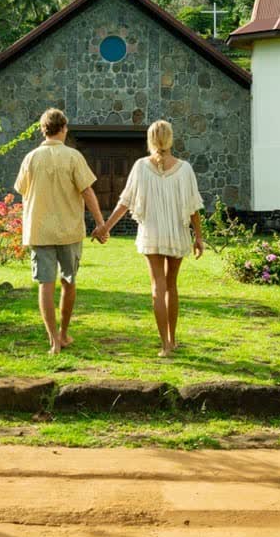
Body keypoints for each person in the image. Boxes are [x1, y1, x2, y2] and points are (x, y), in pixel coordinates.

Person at [97, 119, 204, 357]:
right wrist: (198, 237)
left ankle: (165, 345)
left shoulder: (140, 166)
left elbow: (124, 202)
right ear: (170, 139)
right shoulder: (185, 168)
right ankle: (173, 340)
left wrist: (105, 227)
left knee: (158, 286)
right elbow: (194, 207)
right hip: (177, 233)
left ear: (150, 140)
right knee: (172, 286)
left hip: (152, 234)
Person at [13, 108, 106, 354]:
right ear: (63, 128)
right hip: (69, 230)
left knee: (45, 284)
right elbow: (87, 191)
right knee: (68, 281)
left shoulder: (31, 158)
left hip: (39, 229)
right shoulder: (73, 157)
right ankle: (64, 333)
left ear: (43, 130)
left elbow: (22, 189)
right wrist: (100, 223)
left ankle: (53, 339)